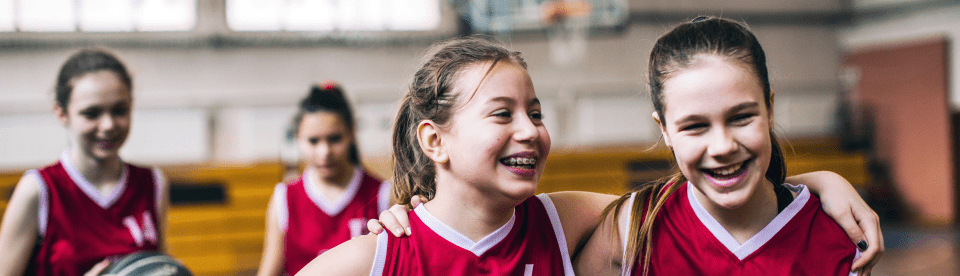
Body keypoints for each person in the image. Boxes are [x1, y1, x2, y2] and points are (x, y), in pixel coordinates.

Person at [308, 37, 882, 276]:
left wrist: (816, 182)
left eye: (535, 112)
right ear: (435, 141)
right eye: (502, 114)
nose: (530, 130)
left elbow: (702, 198)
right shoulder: (379, 257)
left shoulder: (563, 221)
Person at [575, 17, 882, 275]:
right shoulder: (634, 228)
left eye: (741, 117)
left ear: (770, 110)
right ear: (664, 130)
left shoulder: (833, 235)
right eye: (695, 126)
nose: (722, 146)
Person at [0, 49, 170, 276]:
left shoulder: (153, 183)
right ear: (61, 113)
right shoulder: (38, 189)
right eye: (92, 113)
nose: (109, 124)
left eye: (120, 110)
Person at [256, 82, 391, 276]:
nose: (324, 151)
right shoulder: (284, 198)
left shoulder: (382, 195)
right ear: (298, 138)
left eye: (334, 139)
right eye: (313, 141)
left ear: (352, 133)